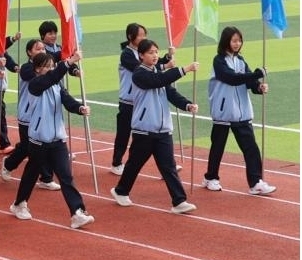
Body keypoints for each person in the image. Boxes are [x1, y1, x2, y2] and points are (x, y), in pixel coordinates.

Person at [111, 39, 199, 214]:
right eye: (150, 52)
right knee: (134, 164)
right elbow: (157, 80)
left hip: (163, 129)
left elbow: (170, 93)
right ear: (141, 55)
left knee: (169, 167)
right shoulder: (139, 74)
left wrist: (187, 105)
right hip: (144, 129)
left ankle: (179, 201)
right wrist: (184, 70)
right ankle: (121, 191)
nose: (154, 55)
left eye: (156, 52)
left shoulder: (157, 73)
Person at [8, 52, 95, 229]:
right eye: (47, 66)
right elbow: (50, 78)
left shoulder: (56, 85)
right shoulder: (35, 84)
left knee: (66, 176)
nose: (51, 69)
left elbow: (67, 100)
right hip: (39, 140)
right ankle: (19, 203)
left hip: (57, 139)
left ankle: (77, 212)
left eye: (52, 66)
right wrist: (69, 62)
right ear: (38, 69)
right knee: (32, 173)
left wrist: (79, 108)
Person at [203, 27, 276, 195]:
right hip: (224, 112)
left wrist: (259, 86)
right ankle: (211, 177)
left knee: (251, 148)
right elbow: (232, 78)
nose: (237, 44)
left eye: (239, 40)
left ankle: (256, 182)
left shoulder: (241, 61)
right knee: (218, 147)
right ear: (226, 41)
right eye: (234, 40)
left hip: (242, 112)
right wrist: (255, 74)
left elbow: (249, 81)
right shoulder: (219, 61)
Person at [111, 23, 172, 175]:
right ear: (130, 37)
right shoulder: (126, 54)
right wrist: (166, 66)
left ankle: (163, 165)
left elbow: (153, 64)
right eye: (140, 35)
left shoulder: (145, 53)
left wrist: (167, 58)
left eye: (145, 35)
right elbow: (142, 69)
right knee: (124, 133)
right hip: (128, 100)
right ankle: (116, 162)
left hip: (143, 102)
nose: (143, 38)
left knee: (144, 136)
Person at [1, 39, 59, 190]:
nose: (42, 52)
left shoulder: (49, 68)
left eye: (43, 49)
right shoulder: (27, 68)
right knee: (27, 147)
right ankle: (9, 163)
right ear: (29, 52)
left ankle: (46, 178)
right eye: (38, 49)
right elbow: (37, 77)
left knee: (43, 145)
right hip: (27, 115)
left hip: (43, 114)